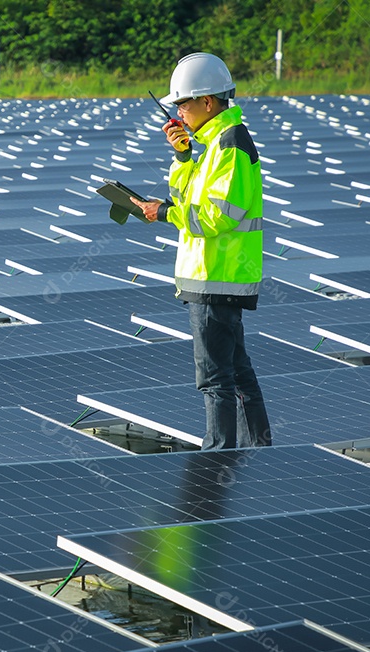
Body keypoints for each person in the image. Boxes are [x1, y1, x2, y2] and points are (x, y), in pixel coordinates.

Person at [130, 52, 271, 450]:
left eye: (183, 103)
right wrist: (181, 156)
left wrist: (165, 214)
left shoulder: (230, 144)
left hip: (217, 276)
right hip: (212, 277)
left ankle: (219, 459)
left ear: (207, 102)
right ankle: (258, 456)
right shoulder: (211, 144)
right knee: (236, 373)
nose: (178, 112)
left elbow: (217, 216)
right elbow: (186, 194)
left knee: (215, 379)